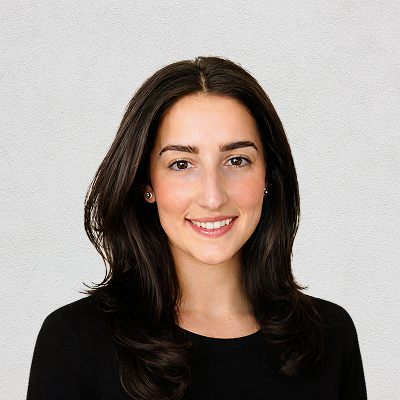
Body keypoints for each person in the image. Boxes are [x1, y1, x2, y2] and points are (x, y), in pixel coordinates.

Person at [27, 57, 367, 399]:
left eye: (237, 160)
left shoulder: (330, 336)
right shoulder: (75, 342)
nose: (213, 197)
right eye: (181, 164)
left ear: (268, 176)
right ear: (147, 184)